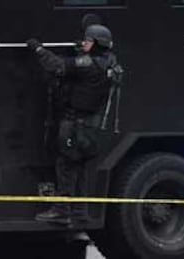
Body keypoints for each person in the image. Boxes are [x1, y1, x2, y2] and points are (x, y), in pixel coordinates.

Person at [26, 24, 119, 224]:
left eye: (88, 40)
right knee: (80, 168)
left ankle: (61, 210)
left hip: (75, 125)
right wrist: (82, 50)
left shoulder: (87, 65)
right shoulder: (109, 63)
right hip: (91, 127)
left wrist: (38, 49)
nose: (84, 42)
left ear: (96, 44)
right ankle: (79, 211)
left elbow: (57, 66)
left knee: (65, 166)